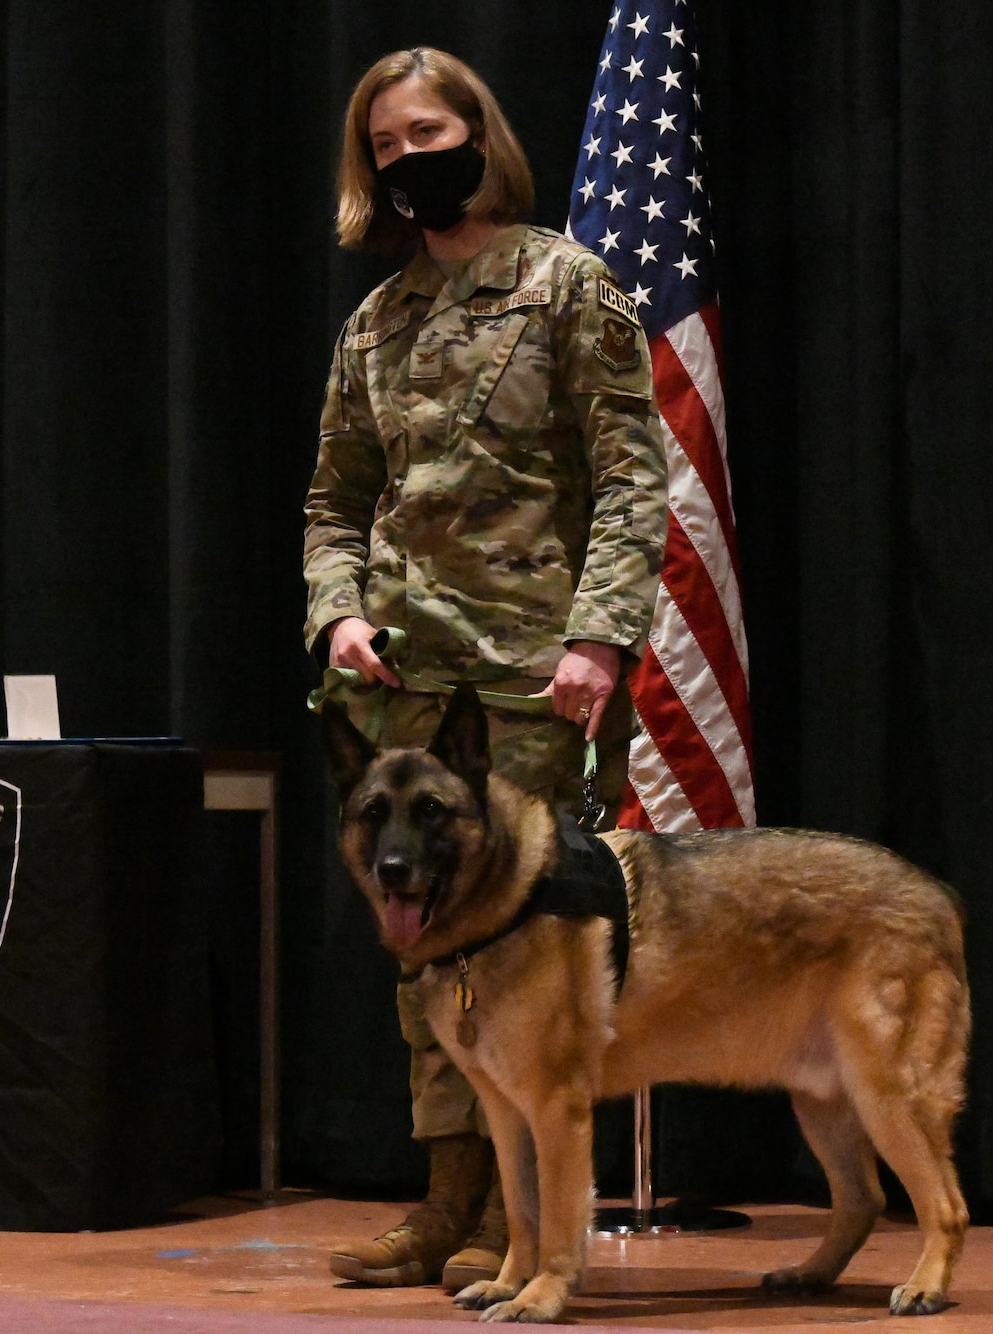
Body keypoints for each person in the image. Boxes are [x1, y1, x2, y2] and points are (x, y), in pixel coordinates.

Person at [303, 47, 668, 1291]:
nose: (413, 160)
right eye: (388, 148)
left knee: (524, 957)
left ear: (480, 133)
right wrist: (335, 614)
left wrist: (599, 636)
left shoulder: (568, 285)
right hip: (400, 686)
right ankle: (446, 1202)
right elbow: (333, 501)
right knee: (426, 952)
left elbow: (631, 475)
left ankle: (524, 1222)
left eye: (428, 134)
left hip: (531, 685)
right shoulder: (378, 321)